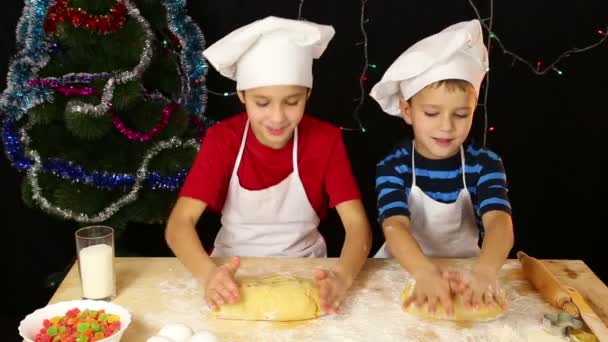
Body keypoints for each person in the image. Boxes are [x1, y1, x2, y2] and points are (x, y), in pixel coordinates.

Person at [165, 16, 372, 315]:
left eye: (292, 102)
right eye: (262, 103)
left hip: (308, 271)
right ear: (242, 96)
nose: (277, 118)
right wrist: (208, 274)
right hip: (231, 273)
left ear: (307, 95)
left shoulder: (326, 140)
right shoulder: (223, 139)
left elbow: (357, 227)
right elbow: (179, 225)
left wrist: (341, 277)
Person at [369, 19, 514, 314]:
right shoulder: (394, 167)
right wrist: (423, 273)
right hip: (401, 272)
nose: (446, 127)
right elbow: (394, 226)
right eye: (432, 113)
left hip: (468, 273)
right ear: (407, 111)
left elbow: (499, 221)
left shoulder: (483, 164)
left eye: (461, 114)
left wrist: (485, 272)